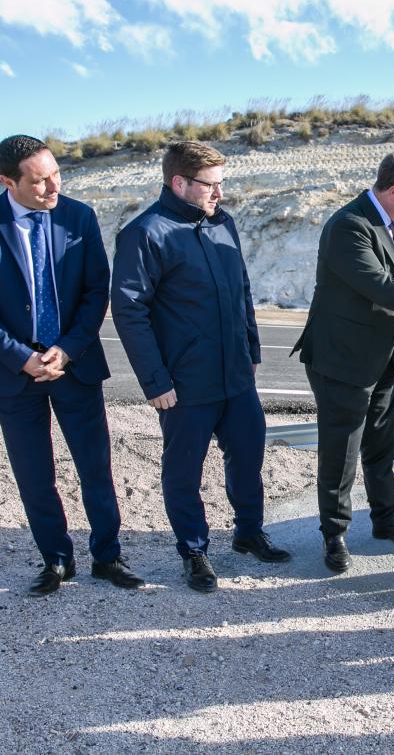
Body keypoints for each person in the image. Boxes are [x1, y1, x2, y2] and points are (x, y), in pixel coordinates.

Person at [0, 134, 143, 596]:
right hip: (13, 375)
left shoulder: (79, 216)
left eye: (56, 174)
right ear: (7, 182)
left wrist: (67, 348)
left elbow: (97, 290)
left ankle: (108, 556)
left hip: (74, 366)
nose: (53, 187)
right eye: (39, 182)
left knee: (95, 467)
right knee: (35, 475)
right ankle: (57, 561)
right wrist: (23, 358)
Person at [112, 141, 289, 594]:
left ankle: (249, 533)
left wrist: (251, 350)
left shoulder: (221, 224)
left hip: (235, 376)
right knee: (184, 472)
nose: (219, 195)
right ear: (179, 183)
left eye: (221, 185)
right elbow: (129, 312)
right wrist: (155, 381)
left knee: (248, 456)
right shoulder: (145, 233)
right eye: (211, 186)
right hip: (184, 383)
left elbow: (241, 291)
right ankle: (193, 551)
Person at [292, 150, 394, 573]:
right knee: (341, 451)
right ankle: (334, 535)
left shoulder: (392, 225)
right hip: (341, 361)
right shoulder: (349, 225)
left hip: (381, 358)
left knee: (381, 447)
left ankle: (385, 520)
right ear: (392, 191)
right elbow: (376, 284)